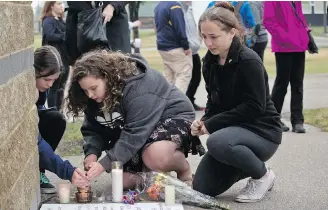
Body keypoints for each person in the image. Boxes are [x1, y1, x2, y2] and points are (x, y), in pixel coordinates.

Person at [65, 51, 205, 189]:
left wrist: (103, 164)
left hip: (171, 116)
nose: (89, 95)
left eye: (93, 88)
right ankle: (157, 179)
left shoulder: (138, 88)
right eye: (85, 90)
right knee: (121, 182)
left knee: (156, 156)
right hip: (138, 129)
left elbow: (133, 135)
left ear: (107, 77)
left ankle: (183, 169)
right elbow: (93, 129)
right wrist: (92, 154)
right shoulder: (95, 97)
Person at [191, 2, 282, 203]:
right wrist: (204, 120)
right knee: (202, 187)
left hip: (262, 132)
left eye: (213, 37)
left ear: (232, 33)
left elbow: (255, 107)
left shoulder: (249, 61)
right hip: (232, 135)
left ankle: (262, 176)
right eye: (204, 37)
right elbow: (213, 100)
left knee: (216, 141)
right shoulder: (209, 61)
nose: (208, 43)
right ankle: (250, 165)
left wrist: (212, 125)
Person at [35, 46, 89, 193]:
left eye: (54, 80)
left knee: (56, 119)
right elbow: (36, 141)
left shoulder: (41, 90)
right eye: (47, 79)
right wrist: (68, 171)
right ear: (33, 72)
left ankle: (38, 171)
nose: (50, 85)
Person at [263, 1, 309, 133]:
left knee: (298, 84)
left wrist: (305, 33)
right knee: (281, 83)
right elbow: (268, 21)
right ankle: (273, 118)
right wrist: (286, 38)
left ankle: (298, 120)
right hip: (284, 47)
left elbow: (299, 16)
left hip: (299, 45)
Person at [65, 1, 131, 65]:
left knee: (118, 63)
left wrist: (113, 5)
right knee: (81, 65)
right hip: (80, 21)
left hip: (112, 23)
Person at [154, 1, 193, 94]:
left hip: (163, 46)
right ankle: (176, 103)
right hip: (175, 46)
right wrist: (186, 46)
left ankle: (164, 103)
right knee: (183, 74)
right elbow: (179, 27)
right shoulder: (174, 6)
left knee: (169, 77)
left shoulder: (158, 6)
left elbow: (156, 27)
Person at [41, 1, 70, 110]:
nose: (61, 6)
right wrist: (65, 36)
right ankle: (53, 111)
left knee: (61, 88)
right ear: (51, 6)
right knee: (53, 88)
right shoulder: (48, 21)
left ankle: (60, 112)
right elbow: (51, 35)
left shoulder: (62, 21)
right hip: (54, 59)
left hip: (64, 59)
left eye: (62, 3)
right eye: (58, 3)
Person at [180, 1, 205, 111]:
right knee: (187, 78)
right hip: (186, 50)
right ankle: (185, 102)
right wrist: (186, 46)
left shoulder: (189, 10)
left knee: (196, 77)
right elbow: (181, 30)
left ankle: (190, 99)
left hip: (194, 50)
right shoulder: (179, 9)